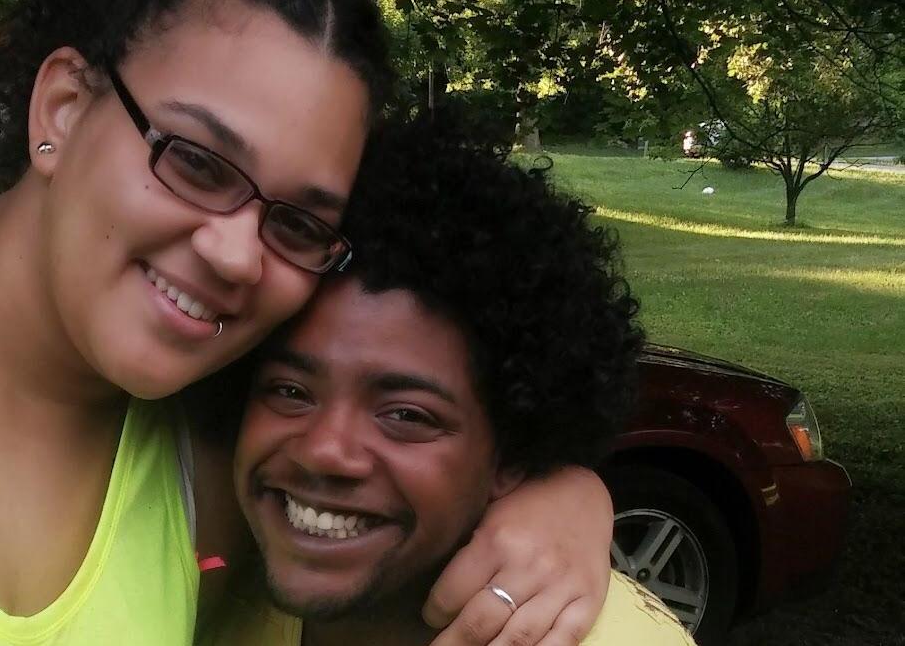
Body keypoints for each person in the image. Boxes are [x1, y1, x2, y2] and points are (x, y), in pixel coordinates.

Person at [0, 0, 610, 644]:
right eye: (194, 162)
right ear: (62, 107)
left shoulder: (213, 459)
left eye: (295, 222)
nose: (236, 253)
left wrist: (569, 492)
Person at [202, 121, 695, 646]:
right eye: (290, 391)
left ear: (511, 454)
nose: (323, 451)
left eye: (406, 415)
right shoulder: (204, 582)